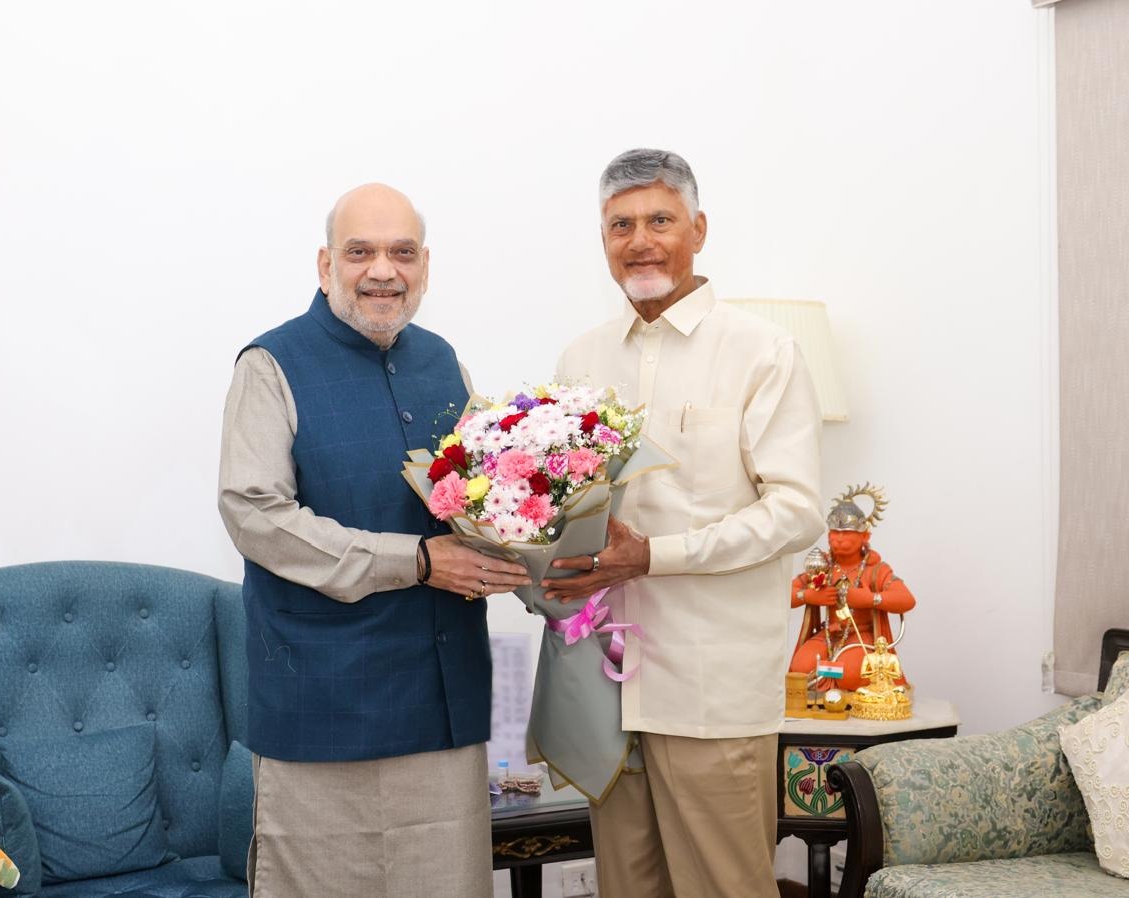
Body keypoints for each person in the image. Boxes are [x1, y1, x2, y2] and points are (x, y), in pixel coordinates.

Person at [217, 183, 530, 898]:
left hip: (441, 706)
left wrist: (550, 556)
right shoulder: (270, 364)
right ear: (325, 264)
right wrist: (413, 561)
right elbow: (254, 513)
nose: (383, 271)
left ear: (426, 267)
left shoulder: (444, 363)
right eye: (360, 252)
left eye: (402, 253)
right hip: (322, 709)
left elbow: (483, 504)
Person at [542, 149, 825, 898]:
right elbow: (565, 510)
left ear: (698, 230)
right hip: (603, 691)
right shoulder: (580, 359)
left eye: (660, 220)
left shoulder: (762, 351)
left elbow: (796, 511)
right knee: (625, 889)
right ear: (603, 240)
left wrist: (654, 556)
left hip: (709, 690)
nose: (640, 241)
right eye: (621, 226)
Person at [789, 486, 916, 693]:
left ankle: (837, 686)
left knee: (851, 674)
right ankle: (830, 690)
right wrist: (808, 595)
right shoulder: (822, 565)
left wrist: (870, 599)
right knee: (801, 669)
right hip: (828, 634)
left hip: (861, 636)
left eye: (847, 533)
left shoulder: (875, 569)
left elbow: (907, 599)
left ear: (865, 536)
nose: (839, 539)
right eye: (834, 533)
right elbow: (784, 595)